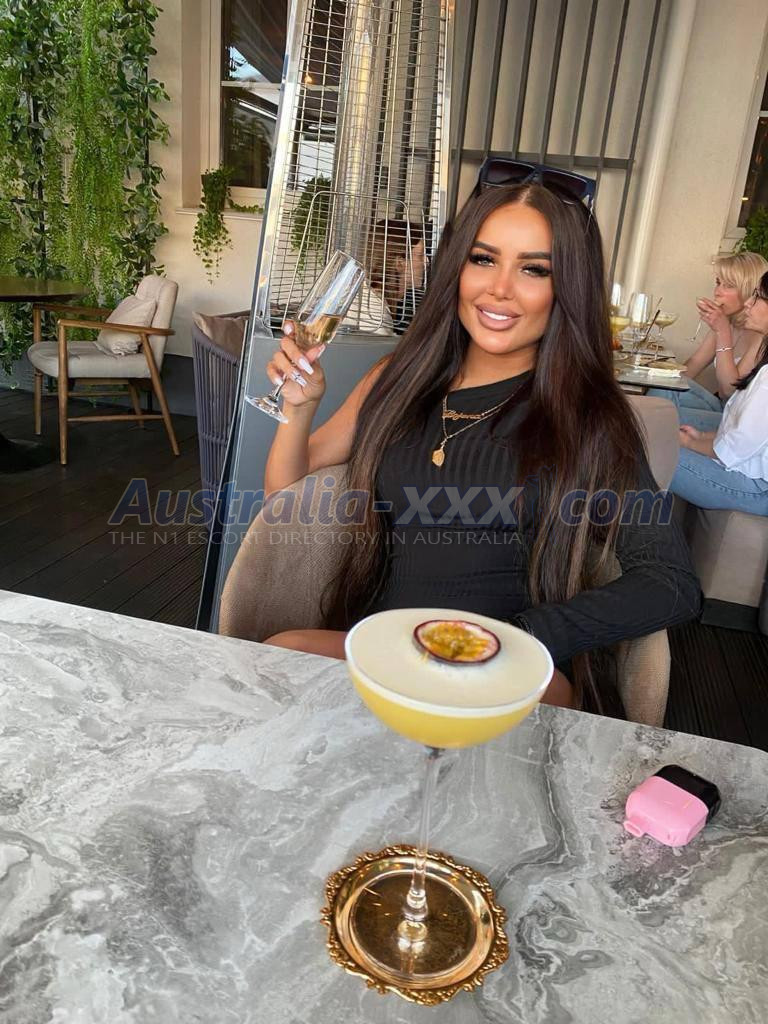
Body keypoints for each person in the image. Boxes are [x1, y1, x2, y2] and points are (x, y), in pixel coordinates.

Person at [260, 162, 701, 714]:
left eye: (534, 269)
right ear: (457, 268)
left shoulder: (588, 417)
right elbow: (286, 498)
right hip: (389, 650)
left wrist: (524, 636)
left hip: (511, 670)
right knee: (280, 655)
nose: (499, 289)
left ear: (567, 287)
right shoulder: (398, 380)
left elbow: (671, 582)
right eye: (483, 259)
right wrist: (298, 409)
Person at [668, 272, 768, 516]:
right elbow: (740, 432)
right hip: (748, 473)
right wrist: (700, 436)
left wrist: (691, 442)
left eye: (757, 297)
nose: (748, 303)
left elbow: (735, 448)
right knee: (653, 438)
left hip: (756, 488)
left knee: (649, 450)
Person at [647, 251, 768, 410]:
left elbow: (729, 392)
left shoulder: (760, 334)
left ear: (750, 291)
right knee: (662, 387)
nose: (717, 291)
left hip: (732, 415)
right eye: (718, 282)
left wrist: (722, 332)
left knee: (658, 412)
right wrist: (657, 375)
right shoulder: (726, 322)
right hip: (719, 405)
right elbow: (694, 365)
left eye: (729, 285)